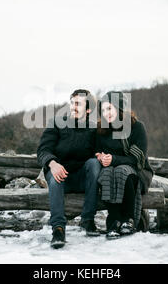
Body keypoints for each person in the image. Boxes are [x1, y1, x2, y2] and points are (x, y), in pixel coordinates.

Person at [37, 89, 102, 249]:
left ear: (87, 110)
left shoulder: (93, 130)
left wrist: (103, 156)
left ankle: (87, 220)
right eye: (72, 102)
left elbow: (100, 152)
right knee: (55, 174)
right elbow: (43, 150)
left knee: (94, 163)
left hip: (81, 179)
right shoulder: (57, 123)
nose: (73, 106)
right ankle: (58, 229)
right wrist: (52, 163)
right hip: (58, 176)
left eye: (78, 103)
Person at [95, 91, 153, 239]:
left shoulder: (136, 127)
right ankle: (113, 221)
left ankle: (128, 219)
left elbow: (136, 159)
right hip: (110, 171)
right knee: (107, 172)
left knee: (121, 170)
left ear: (119, 108)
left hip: (137, 171)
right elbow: (95, 149)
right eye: (103, 110)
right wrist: (99, 156)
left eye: (109, 109)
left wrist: (113, 159)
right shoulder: (102, 130)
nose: (105, 113)